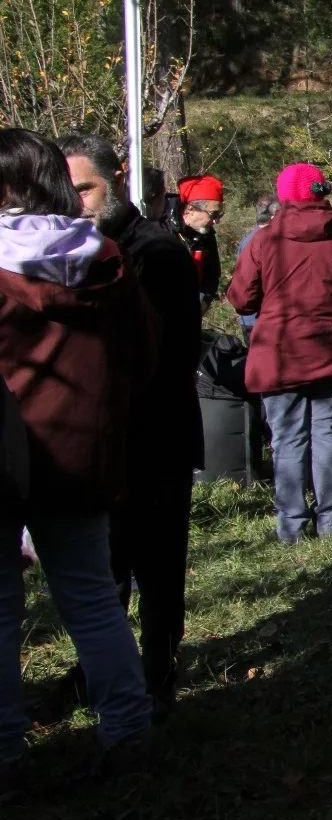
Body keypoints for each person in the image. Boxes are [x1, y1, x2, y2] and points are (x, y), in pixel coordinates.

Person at [0, 129, 156, 778]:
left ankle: (5, 750)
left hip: (5, 454)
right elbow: (145, 355)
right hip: (81, 453)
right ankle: (129, 733)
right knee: (93, 598)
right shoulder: (108, 260)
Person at [59, 133, 203, 710]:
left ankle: (158, 672)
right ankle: (102, 669)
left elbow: (165, 358)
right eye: (67, 193)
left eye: (86, 188)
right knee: (103, 568)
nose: (79, 203)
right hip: (99, 440)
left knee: (158, 565)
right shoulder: (72, 253)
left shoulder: (157, 252)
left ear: (117, 177)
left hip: (155, 436)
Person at [227, 164, 332, 544]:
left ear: (284, 195)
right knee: (327, 434)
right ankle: (331, 520)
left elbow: (241, 299)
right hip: (330, 348)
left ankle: (291, 524)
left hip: (279, 351)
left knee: (286, 439)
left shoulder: (264, 240)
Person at [173, 174, 226, 308]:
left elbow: (212, 275)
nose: (216, 221)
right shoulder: (164, 231)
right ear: (191, 209)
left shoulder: (206, 234)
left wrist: (204, 301)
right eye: (213, 214)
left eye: (219, 215)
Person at [236, 193, 278, 343]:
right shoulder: (268, 241)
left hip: (250, 319)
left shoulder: (246, 241)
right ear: (273, 215)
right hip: (263, 319)